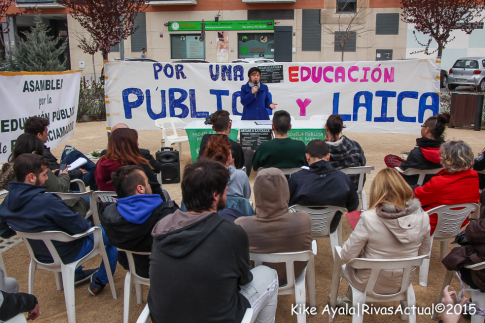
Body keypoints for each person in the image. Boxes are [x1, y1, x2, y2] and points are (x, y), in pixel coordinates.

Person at [148, 159, 278, 323]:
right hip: (219, 317)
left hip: (164, 317)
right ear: (215, 195)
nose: (228, 189)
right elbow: (244, 279)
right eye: (224, 187)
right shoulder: (232, 233)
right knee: (268, 274)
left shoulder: (161, 227)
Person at [0, 154, 118, 296]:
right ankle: (100, 280)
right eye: (44, 174)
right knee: (114, 236)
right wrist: (89, 225)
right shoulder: (46, 201)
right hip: (67, 252)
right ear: (31, 177)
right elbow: (79, 226)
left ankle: (90, 276)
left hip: (40, 255)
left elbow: (4, 231)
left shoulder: (6, 204)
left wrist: (25, 229)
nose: (47, 178)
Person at [336, 168, 430, 306]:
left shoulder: (369, 218)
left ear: (377, 191)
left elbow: (346, 255)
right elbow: (423, 253)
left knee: (355, 261)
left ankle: (349, 301)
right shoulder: (423, 216)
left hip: (367, 282)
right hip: (403, 280)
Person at [235, 168, 312, 286]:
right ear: (286, 192)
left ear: (257, 193)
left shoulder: (241, 225)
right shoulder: (304, 219)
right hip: (291, 276)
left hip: (257, 282)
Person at [100, 165, 178, 279]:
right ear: (140, 188)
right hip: (166, 269)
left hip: (132, 267)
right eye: (147, 182)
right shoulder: (168, 213)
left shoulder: (108, 214)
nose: (149, 184)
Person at [0, 134, 90, 217]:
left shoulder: (12, 172)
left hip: (28, 216)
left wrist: (52, 174)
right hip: (58, 208)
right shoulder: (36, 168)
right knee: (93, 199)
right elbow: (60, 189)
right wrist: (63, 175)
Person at [288, 139, 359, 231]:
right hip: (331, 226)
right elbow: (353, 205)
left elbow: (286, 204)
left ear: (307, 157)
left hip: (301, 226)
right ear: (328, 156)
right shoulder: (343, 178)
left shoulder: (296, 178)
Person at [414, 140, 479, 235]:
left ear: (447, 159)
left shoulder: (440, 182)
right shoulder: (474, 177)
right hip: (457, 223)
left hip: (431, 225)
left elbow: (418, 198)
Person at [24, 116, 97, 189]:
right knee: (95, 174)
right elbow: (57, 174)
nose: (47, 134)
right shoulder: (41, 154)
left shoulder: (26, 147)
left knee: (74, 154)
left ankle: (98, 170)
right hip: (63, 184)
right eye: (46, 132)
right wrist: (77, 172)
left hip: (57, 174)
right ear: (39, 135)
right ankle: (99, 194)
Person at [384, 113, 451, 185]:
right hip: (437, 185)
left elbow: (404, 169)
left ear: (427, 129)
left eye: (423, 126)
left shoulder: (416, 153)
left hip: (413, 186)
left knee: (389, 158)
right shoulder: (448, 153)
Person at [95, 128, 163, 196]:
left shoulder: (101, 163)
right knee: (164, 194)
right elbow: (155, 189)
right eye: (135, 141)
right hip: (137, 204)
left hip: (109, 203)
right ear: (130, 144)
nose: (138, 143)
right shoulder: (137, 164)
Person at [202, 135, 251, 199]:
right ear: (229, 155)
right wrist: (233, 169)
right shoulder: (241, 176)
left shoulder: (199, 175)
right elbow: (246, 197)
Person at [324, 114, 366, 189]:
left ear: (326, 127)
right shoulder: (355, 146)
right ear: (341, 129)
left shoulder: (319, 152)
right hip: (352, 191)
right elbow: (363, 163)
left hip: (328, 193)